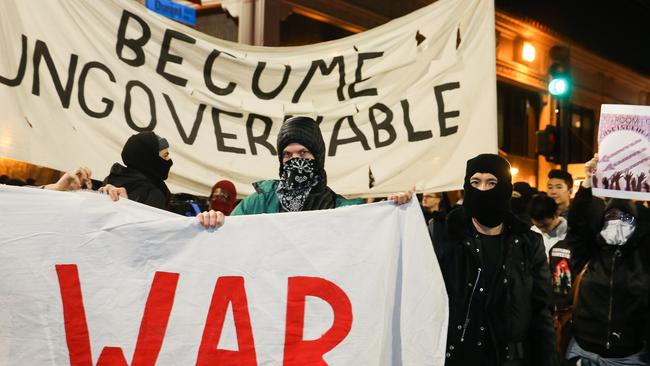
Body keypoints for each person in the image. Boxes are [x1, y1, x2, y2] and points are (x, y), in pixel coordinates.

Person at [429, 153, 558, 366]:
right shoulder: (444, 233)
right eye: (475, 182)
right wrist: (400, 206)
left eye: (491, 182)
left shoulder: (527, 241)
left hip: (510, 358)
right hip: (457, 357)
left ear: (506, 188)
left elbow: (540, 312)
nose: (482, 190)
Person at [198, 116, 413, 227]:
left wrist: (396, 209)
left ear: (317, 158)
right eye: (288, 155)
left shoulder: (341, 208)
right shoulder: (258, 203)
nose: (295, 161)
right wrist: (215, 221)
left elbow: (375, 233)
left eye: (303, 153)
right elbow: (229, 237)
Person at [561, 155, 649, 365]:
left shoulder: (643, 255)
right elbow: (576, 224)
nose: (617, 224)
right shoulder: (591, 252)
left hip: (629, 356)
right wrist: (588, 182)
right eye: (611, 217)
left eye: (625, 219)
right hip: (584, 353)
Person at [103, 132, 173, 210]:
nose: (169, 160)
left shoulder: (111, 180)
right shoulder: (153, 194)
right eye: (165, 155)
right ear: (150, 159)